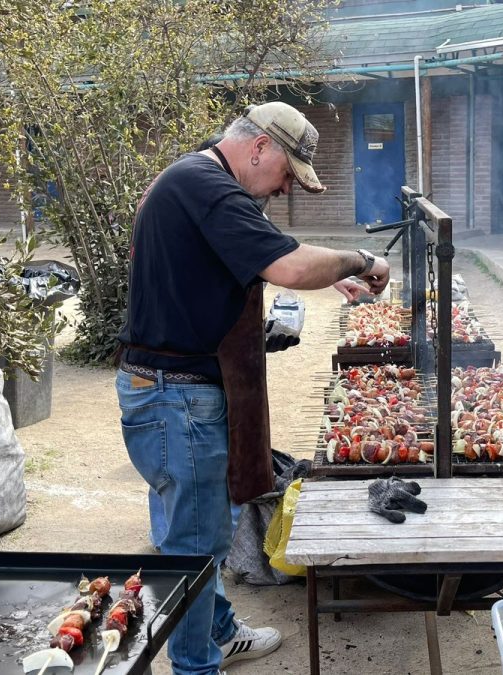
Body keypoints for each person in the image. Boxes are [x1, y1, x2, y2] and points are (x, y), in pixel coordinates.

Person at [117, 101, 390, 675]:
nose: (286, 187)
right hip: (177, 399)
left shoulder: (201, 182)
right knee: (195, 548)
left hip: (171, 392)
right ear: (260, 147)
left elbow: (272, 253)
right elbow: (288, 267)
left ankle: (220, 630)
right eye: (288, 173)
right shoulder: (206, 185)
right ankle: (197, 665)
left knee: (195, 530)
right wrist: (359, 259)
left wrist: (331, 274)